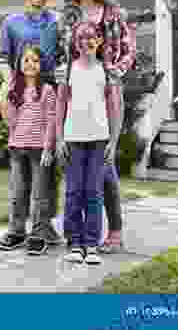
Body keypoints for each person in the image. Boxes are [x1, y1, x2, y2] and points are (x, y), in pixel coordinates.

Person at [54, 0, 136, 254]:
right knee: (88, 173)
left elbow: (128, 47)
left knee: (106, 164)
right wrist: (62, 72)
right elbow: (58, 51)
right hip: (78, 90)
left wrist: (116, 71)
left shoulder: (112, 13)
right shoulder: (68, 16)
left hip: (107, 87)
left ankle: (113, 231)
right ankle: (79, 233)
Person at [0, 0, 63, 246]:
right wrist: (11, 85)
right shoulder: (11, 23)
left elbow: (66, 55)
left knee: (47, 167)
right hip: (21, 97)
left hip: (50, 96)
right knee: (21, 173)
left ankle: (43, 226)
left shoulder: (57, 22)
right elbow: (2, 59)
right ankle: (17, 227)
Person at [46, 21, 118, 264]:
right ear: (74, 43)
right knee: (74, 192)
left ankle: (91, 244)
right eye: (80, 38)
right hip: (73, 140)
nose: (85, 42)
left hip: (99, 140)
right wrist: (59, 138)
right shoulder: (67, 71)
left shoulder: (106, 71)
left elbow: (114, 110)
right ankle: (75, 243)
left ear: (98, 41)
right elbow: (60, 106)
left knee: (94, 192)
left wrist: (114, 142)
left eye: (90, 37)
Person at [0, 44, 58, 255]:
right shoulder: (15, 89)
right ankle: (16, 230)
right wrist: (7, 99)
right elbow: (12, 121)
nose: (30, 64)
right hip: (17, 147)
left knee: (40, 194)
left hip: (39, 149)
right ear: (19, 64)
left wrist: (48, 148)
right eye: (26, 60)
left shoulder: (48, 90)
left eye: (35, 60)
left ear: (41, 65)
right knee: (17, 192)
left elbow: (52, 121)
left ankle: (39, 233)